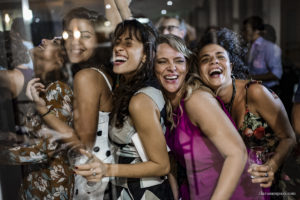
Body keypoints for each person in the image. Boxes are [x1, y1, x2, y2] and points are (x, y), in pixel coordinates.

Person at [75, 19, 173, 199]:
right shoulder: (131, 89)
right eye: (117, 43)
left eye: (128, 44)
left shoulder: (140, 100)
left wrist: (107, 169)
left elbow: (162, 165)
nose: (118, 48)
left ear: (145, 55)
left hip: (142, 193)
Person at [196, 27, 296, 199]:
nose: (214, 62)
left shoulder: (255, 93)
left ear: (231, 65)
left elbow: (289, 137)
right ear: (198, 71)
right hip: (241, 187)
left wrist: (272, 166)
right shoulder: (205, 102)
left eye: (220, 56)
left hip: (275, 183)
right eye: (206, 59)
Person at [0, 27, 74, 199]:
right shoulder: (45, 87)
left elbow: (45, 149)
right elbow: (41, 138)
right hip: (36, 185)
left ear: (60, 59)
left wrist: (4, 154)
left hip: (50, 189)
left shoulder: (59, 88)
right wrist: (17, 138)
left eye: (53, 42)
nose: (44, 40)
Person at [242, 16, 283, 94]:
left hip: (269, 90)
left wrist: (250, 78)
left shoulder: (269, 47)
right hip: (253, 89)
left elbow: (276, 74)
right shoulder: (249, 46)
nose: (243, 33)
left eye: (246, 30)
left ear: (256, 31)